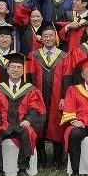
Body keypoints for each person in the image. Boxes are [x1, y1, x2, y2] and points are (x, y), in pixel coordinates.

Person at [0, 53, 47, 176]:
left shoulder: (31, 90)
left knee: (29, 132)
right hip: (3, 123)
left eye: (19, 67)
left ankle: (23, 169)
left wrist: (29, 120)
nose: (15, 70)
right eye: (12, 67)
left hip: (22, 123)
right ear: (7, 69)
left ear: (23, 70)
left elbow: (36, 108)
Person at [28, 22, 71, 167]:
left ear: (56, 37)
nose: (48, 38)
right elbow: (30, 78)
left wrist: (65, 97)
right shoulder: (34, 56)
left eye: (51, 35)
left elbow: (67, 78)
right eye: (45, 36)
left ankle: (57, 159)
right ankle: (41, 158)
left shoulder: (64, 56)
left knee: (57, 125)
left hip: (57, 97)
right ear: (41, 38)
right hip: (38, 97)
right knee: (38, 124)